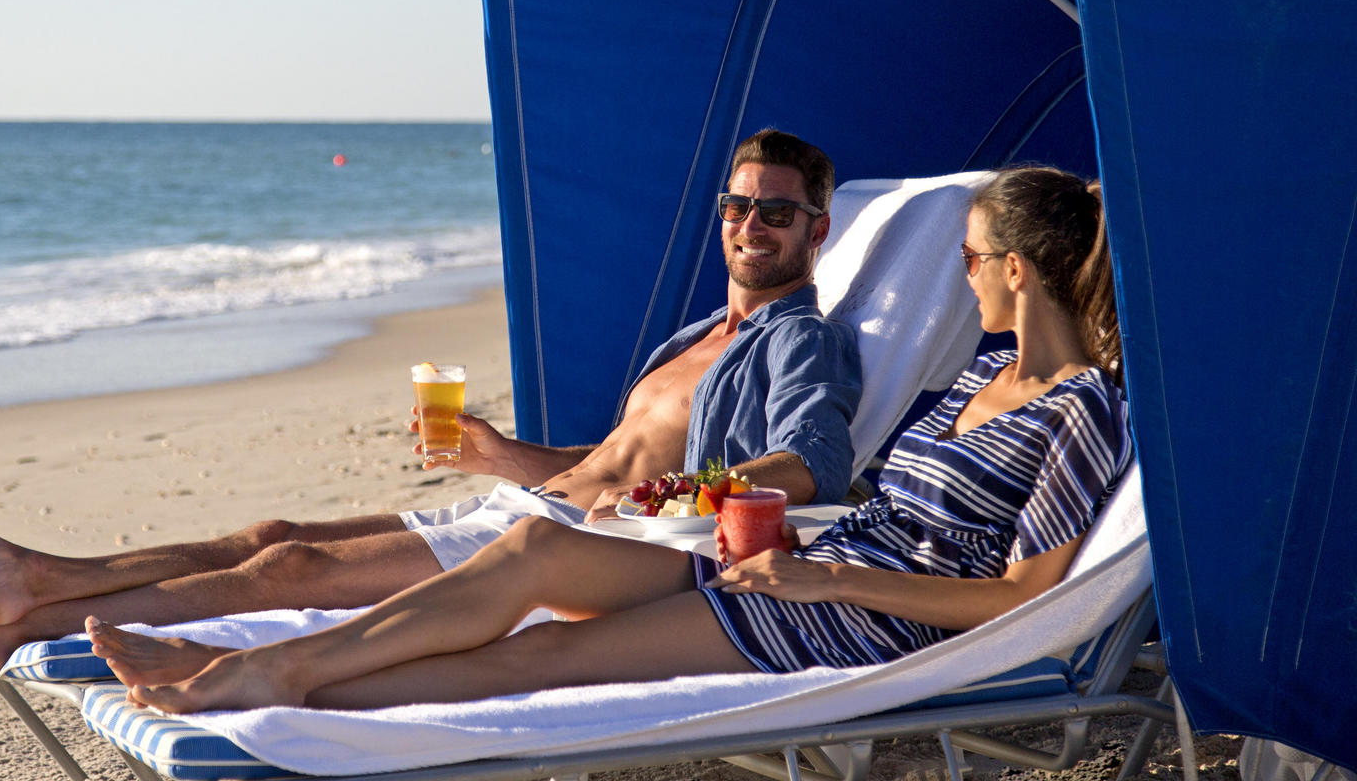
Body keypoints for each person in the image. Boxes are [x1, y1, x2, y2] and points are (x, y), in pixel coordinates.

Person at [85, 165, 1130, 713]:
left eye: (973, 257)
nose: (962, 272)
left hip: (858, 619)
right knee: (535, 552)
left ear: (1020, 272)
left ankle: (277, 681)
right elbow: (878, 502)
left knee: (551, 656)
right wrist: (775, 541)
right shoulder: (985, 373)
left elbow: (1027, 598)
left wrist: (829, 586)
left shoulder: (1083, 410)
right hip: (802, 565)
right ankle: (274, 662)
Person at [0, 130, 862, 673]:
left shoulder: (801, 340)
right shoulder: (692, 341)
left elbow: (810, 464)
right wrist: (495, 452)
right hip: (536, 502)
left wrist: (665, 500)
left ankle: (30, 603)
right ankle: (30, 586)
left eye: (775, 211)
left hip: (602, 547)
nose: (749, 226)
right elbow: (605, 465)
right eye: (736, 206)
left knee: (291, 566)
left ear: (814, 230)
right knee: (270, 531)